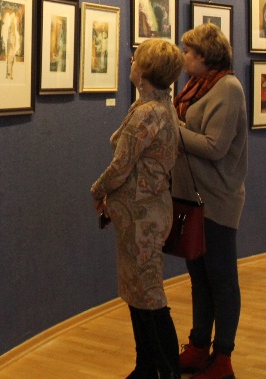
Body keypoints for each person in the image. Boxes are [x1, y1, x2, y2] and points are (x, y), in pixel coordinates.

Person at [91, 38, 185, 378]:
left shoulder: (148, 113)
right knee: (140, 295)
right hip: (145, 211)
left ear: (145, 71)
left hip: (143, 216)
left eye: (137, 59)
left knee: (149, 296)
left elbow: (121, 166)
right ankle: (146, 366)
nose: (131, 60)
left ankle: (166, 370)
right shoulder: (159, 105)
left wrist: (97, 190)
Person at [171, 23, 247, 379]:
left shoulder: (228, 88)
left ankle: (223, 357)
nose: (184, 56)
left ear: (204, 56)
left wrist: (173, 130)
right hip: (191, 197)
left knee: (221, 278)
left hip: (217, 198)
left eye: (188, 51)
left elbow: (215, 147)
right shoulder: (195, 87)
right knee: (199, 277)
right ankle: (199, 345)